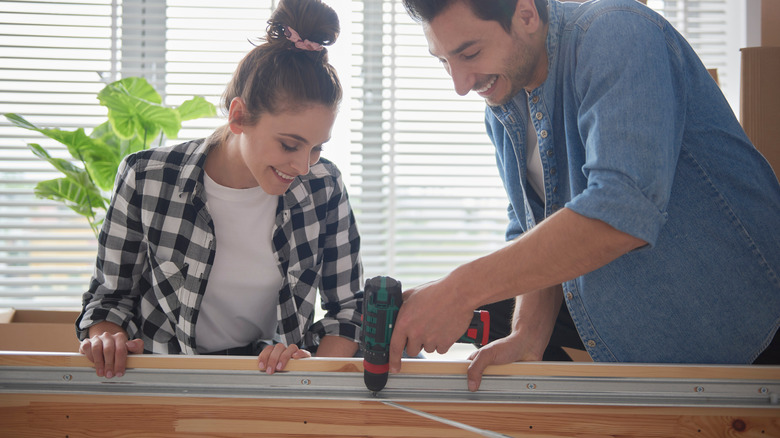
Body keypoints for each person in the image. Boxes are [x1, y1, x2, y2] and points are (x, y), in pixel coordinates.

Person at [391, 0, 780, 390]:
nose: (460, 84)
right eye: (444, 61)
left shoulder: (617, 33)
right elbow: (536, 233)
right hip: (664, 360)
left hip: (754, 335)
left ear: (526, 15)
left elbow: (621, 213)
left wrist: (459, 290)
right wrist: (528, 333)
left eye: (470, 53)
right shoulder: (504, 106)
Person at [76, 0, 363, 379]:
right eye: (290, 145)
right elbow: (109, 299)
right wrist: (107, 339)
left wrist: (316, 375)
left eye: (317, 147)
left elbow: (347, 309)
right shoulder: (146, 177)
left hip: (276, 384)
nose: (303, 166)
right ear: (239, 116)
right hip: (165, 382)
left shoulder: (324, 186)